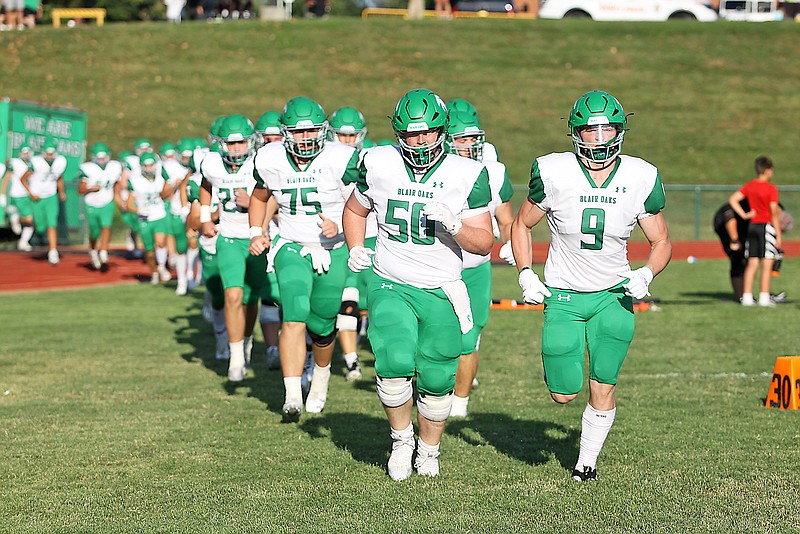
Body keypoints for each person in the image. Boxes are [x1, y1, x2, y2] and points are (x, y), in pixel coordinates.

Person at [510, 90, 672, 482]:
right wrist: (525, 272)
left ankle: (586, 464)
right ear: (576, 134)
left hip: (613, 295)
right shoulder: (552, 171)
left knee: (603, 381)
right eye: (590, 130)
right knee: (563, 394)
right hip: (563, 295)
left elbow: (661, 241)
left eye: (607, 129)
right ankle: (576, 423)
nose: (599, 139)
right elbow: (521, 224)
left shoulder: (640, 176)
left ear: (620, 131)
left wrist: (647, 273)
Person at [343, 88, 494, 480]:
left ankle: (429, 450)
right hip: (391, 279)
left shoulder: (468, 173)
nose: (420, 141)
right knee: (392, 361)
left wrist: (457, 226)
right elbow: (355, 209)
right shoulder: (377, 162)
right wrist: (356, 245)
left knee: (438, 374)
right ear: (398, 134)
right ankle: (401, 440)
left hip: (442, 285)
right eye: (411, 134)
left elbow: (484, 240)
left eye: (427, 133)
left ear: (442, 131)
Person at [248, 96, 360, 422]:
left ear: (323, 131)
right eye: (297, 133)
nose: (305, 139)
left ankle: (321, 376)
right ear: (285, 133)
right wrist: (257, 230)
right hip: (291, 245)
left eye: (311, 131)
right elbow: (260, 194)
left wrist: (339, 225)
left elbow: (361, 202)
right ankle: (292, 393)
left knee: (323, 325)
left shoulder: (343, 159)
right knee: (294, 314)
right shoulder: (270, 158)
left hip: (332, 248)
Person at [445, 110, 515, 418]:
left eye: (474, 138)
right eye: (462, 138)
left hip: (476, 266)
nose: (470, 144)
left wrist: (513, 242)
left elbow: (506, 218)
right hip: (439, 266)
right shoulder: (436, 172)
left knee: (469, 337)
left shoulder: (493, 170)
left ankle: (459, 405)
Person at [199, 114, 265, 382]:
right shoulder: (212, 164)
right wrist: (205, 217)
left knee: (250, 300)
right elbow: (205, 185)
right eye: (231, 143)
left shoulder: (260, 164)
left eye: (241, 143)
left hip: (255, 239)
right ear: (221, 143)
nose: (236, 149)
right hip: (227, 238)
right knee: (233, 296)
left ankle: (246, 340)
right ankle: (235, 358)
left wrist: (253, 203)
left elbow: (272, 198)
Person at [329, 105, 374, 381]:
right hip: (338, 238)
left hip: (372, 236)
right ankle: (351, 360)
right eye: (341, 135)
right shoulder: (324, 160)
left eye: (352, 135)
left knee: (375, 302)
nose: (347, 140)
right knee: (347, 301)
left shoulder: (373, 156)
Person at [728, 156, 782, 307]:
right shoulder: (771, 188)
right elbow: (774, 212)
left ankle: (747, 298)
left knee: (752, 262)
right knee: (767, 262)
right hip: (766, 226)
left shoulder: (750, 185)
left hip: (752, 226)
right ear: (767, 170)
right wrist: (778, 234)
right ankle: (764, 298)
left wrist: (745, 215)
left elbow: (733, 199)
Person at [77, 143, 124, 271]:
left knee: (106, 226)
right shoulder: (88, 168)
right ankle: (93, 251)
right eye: (99, 157)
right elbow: (80, 190)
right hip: (92, 203)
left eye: (104, 157)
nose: (102, 160)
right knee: (94, 232)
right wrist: (92, 188)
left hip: (107, 202)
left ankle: (103, 251)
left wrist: (120, 200)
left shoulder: (114, 166)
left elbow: (116, 184)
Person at [127, 152, 172, 284]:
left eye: (151, 165)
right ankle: (154, 273)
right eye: (146, 166)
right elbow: (129, 205)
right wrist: (139, 209)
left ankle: (162, 266)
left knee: (161, 242)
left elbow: (166, 193)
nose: (149, 168)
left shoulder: (161, 176)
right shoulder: (135, 180)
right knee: (150, 252)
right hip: (144, 219)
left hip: (159, 215)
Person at [20, 140, 67, 265]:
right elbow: (23, 179)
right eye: (48, 153)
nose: (50, 156)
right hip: (37, 197)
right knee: (38, 226)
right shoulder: (36, 162)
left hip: (51, 196)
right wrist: (31, 193)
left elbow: (59, 177)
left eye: (52, 153)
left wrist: (61, 192)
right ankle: (16, 218)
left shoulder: (60, 162)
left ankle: (53, 251)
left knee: (52, 223)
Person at [712, 198, 749, 301]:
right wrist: (734, 240)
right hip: (726, 226)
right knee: (738, 259)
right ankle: (740, 296)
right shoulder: (735, 208)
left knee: (746, 260)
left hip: (743, 227)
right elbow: (729, 216)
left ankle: (746, 295)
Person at [0, 145, 35, 251]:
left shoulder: (33, 163)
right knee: (29, 219)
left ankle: (23, 241)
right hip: (18, 194)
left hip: (29, 194)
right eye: (24, 153)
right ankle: (15, 218)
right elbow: (6, 178)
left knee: (33, 220)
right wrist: (2, 194)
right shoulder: (15, 163)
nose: (26, 155)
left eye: (28, 152)